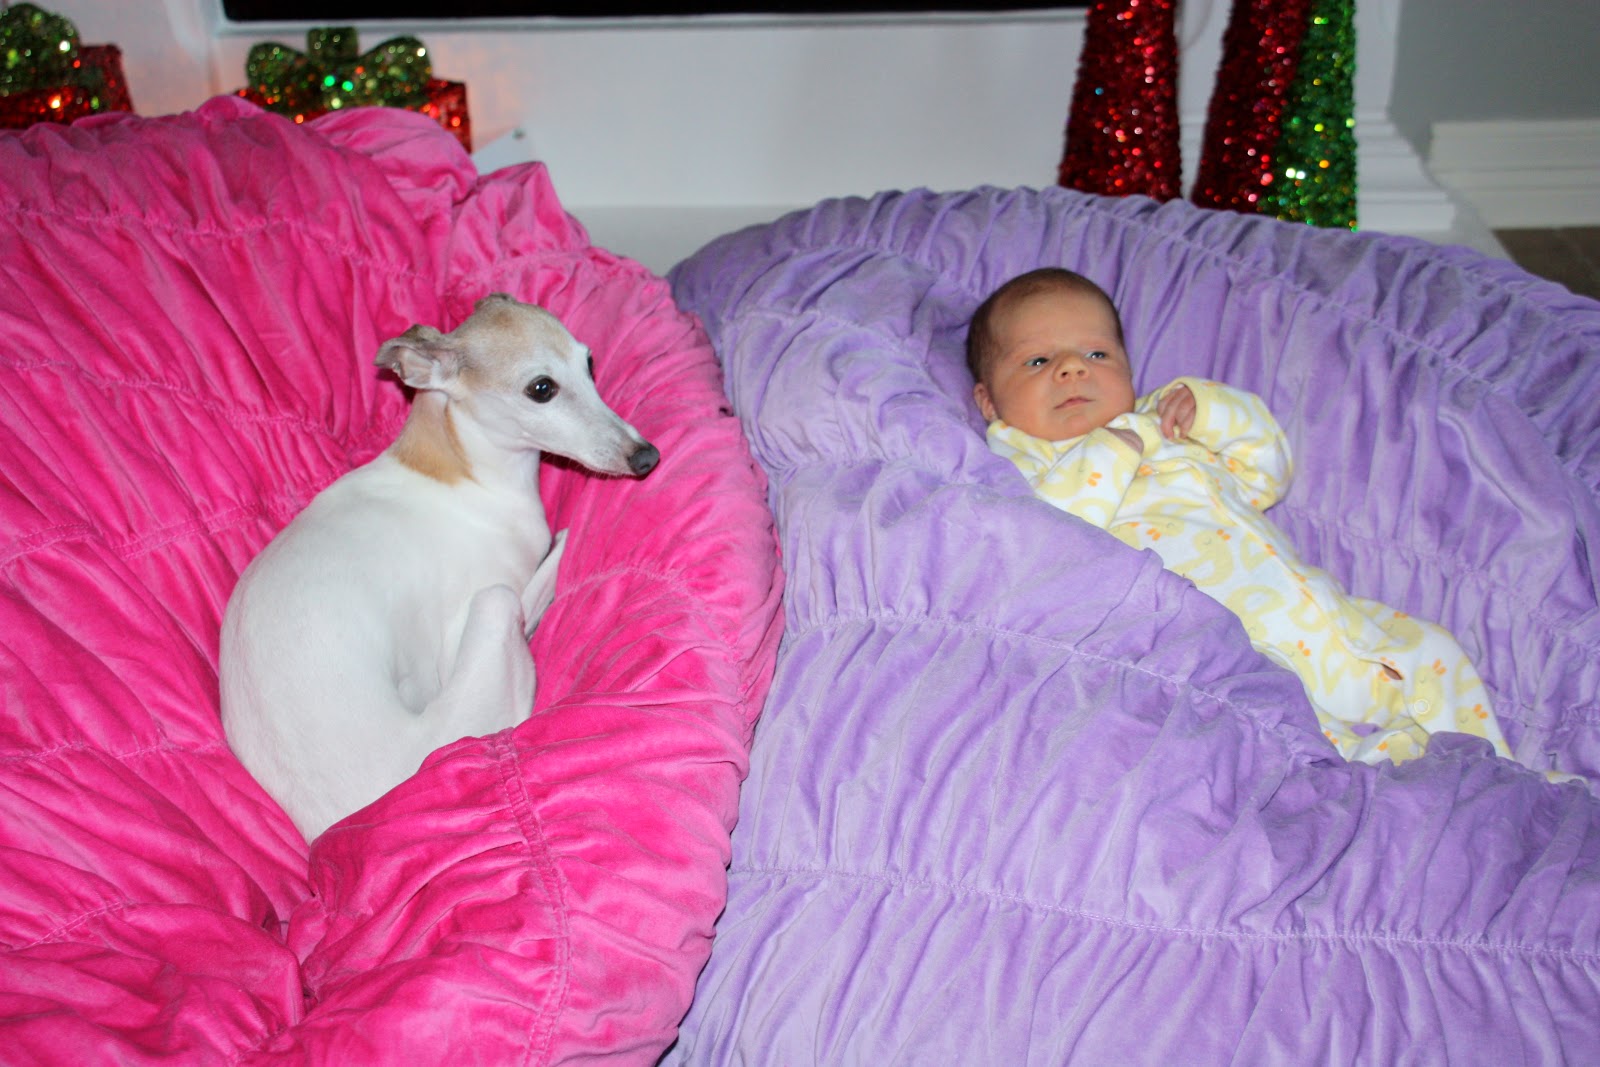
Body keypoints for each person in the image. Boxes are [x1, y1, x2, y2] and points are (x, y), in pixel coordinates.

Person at [967, 266, 1511, 766]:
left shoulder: (1169, 422)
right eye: (1038, 361)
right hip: (1236, 646)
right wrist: (1113, 447)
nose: (1072, 369)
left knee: (1429, 650)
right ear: (989, 402)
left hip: (1325, 621)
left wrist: (1209, 410)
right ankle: (1387, 776)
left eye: (1097, 355)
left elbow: (1267, 470)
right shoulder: (1024, 459)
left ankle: (1498, 774)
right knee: (1289, 733)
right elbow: (1051, 537)